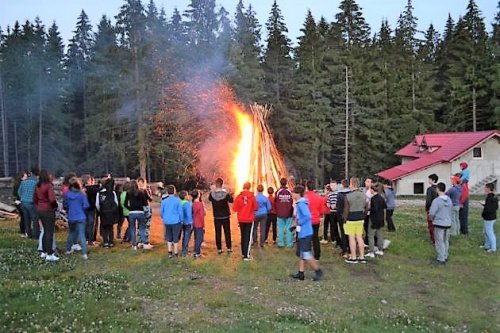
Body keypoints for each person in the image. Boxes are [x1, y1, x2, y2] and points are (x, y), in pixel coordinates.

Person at [290, 185, 323, 281]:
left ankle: (318, 270)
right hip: (302, 232)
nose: (292, 194)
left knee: (306, 254)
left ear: (297, 194)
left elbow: (307, 216)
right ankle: (301, 273)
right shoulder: (299, 203)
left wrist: (299, 222)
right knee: (301, 253)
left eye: (293, 192)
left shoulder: (301, 204)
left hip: (305, 232)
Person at [34, 169, 58, 261]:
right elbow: (52, 199)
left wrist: (38, 206)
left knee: (44, 231)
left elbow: (35, 199)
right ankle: (50, 253)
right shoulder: (48, 186)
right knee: (49, 232)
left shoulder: (37, 186)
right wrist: (55, 207)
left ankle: (43, 252)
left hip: (40, 209)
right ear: (46, 176)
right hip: (48, 210)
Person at [343, 177, 368, 264]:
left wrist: (344, 219)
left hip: (350, 218)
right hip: (360, 217)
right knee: (359, 237)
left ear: (352, 184)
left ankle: (353, 257)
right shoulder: (364, 195)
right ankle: (362, 256)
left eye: (350, 183)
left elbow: (346, 210)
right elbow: (367, 207)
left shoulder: (348, 196)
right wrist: (363, 215)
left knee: (351, 238)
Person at [63, 178, 90, 259]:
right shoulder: (82, 194)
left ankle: (68, 249)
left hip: (71, 216)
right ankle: (84, 253)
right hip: (81, 216)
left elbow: (65, 205)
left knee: (71, 233)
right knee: (82, 234)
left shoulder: (67, 194)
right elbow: (86, 205)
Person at [233, 182, 258, 261]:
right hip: (249, 219)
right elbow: (256, 207)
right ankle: (246, 255)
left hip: (241, 219)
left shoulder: (238, 197)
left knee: (243, 236)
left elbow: (234, 209)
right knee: (248, 237)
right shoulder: (252, 197)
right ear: (249, 187)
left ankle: (243, 252)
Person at [429, 182, 452, 264]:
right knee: (446, 241)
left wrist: (431, 219)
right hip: (448, 223)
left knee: (439, 241)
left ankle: (440, 258)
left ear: (438, 189)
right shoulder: (449, 200)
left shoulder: (436, 200)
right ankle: (445, 256)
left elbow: (432, 212)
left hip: (439, 223)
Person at [208, 178, 233, 254]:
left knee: (218, 232)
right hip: (225, 216)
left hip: (217, 216)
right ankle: (229, 248)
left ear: (216, 184)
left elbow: (209, 199)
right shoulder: (225, 194)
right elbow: (231, 200)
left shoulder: (212, 194)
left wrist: (213, 190)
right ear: (222, 184)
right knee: (227, 232)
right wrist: (230, 194)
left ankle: (219, 248)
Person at [126, 180, 152, 250]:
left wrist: (129, 208)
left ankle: (134, 245)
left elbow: (125, 203)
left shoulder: (128, 193)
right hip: (140, 212)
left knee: (132, 228)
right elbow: (145, 202)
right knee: (142, 228)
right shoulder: (141, 192)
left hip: (132, 212)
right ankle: (145, 243)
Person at [160, 185, 183, 258]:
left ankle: (169, 252)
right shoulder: (178, 200)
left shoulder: (164, 201)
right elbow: (180, 212)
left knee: (169, 236)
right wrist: (181, 220)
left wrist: (164, 217)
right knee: (175, 237)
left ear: (167, 192)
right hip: (176, 221)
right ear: (175, 191)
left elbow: (161, 212)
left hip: (167, 221)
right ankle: (176, 252)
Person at [18, 166, 40, 239]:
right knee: (35, 220)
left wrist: (23, 198)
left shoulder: (23, 182)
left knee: (27, 220)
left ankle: (29, 235)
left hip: (23, 203)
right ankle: (35, 235)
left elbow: (19, 192)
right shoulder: (36, 182)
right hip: (31, 203)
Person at [96, 178, 119, 248]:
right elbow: (116, 203)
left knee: (104, 227)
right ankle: (111, 242)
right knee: (110, 227)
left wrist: (100, 210)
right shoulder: (113, 193)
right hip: (111, 212)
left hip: (103, 212)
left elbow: (97, 204)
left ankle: (106, 242)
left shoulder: (99, 193)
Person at [366, 183, 386, 257]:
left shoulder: (373, 199)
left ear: (372, 190)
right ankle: (380, 250)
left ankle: (371, 252)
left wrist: (368, 209)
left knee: (370, 235)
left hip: (373, 219)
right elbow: (384, 208)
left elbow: (373, 209)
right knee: (379, 234)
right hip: (380, 219)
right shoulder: (381, 198)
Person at [305, 181, 323, 261]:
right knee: (315, 238)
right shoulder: (318, 197)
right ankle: (317, 255)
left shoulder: (305, 198)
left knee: (307, 238)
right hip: (316, 220)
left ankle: (307, 255)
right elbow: (321, 209)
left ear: (307, 187)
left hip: (307, 221)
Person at [275, 178, 294, 248]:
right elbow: (292, 201)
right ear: (286, 183)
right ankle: (289, 243)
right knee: (289, 228)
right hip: (289, 213)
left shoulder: (278, 192)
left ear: (280, 183)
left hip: (280, 213)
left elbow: (275, 202)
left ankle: (281, 243)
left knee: (280, 228)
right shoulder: (289, 192)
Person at [82, 174, 100, 246]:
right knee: (91, 224)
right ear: (88, 180)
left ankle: (86, 239)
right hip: (91, 208)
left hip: (83, 208)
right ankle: (91, 240)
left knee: (86, 224)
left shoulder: (81, 188)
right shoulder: (91, 189)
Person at [335, 179, 351, 257]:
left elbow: (338, 207)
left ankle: (344, 250)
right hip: (350, 215)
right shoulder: (351, 193)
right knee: (351, 233)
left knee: (343, 232)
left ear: (342, 185)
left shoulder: (339, 194)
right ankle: (351, 249)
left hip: (341, 216)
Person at [481, 183, 498, 253]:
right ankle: (487, 245)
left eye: (485, 188)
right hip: (492, 217)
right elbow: (495, 207)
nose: (484, 189)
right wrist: (485, 205)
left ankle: (493, 248)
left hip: (489, 218)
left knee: (490, 232)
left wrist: (483, 214)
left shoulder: (489, 197)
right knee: (486, 232)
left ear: (488, 189)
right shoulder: (494, 197)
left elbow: (487, 209)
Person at [138, 178, 153, 246]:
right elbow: (150, 199)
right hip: (146, 208)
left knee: (140, 225)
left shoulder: (136, 191)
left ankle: (140, 241)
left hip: (139, 209)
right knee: (146, 225)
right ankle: (146, 242)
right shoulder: (145, 191)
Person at [13, 170, 28, 237]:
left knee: (23, 217)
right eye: (25, 176)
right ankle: (25, 231)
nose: (26, 177)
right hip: (21, 202)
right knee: (24, 217)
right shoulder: (22, 184)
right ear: (22, 177)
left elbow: (14, 193)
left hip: (17, 202)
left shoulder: (16, 183)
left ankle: (23, 231)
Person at [191, 190, 206, 258]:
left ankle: (195, 251)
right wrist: (203, 225)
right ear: (198, 195)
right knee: (199, 238)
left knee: (196, 237)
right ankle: (197, 253)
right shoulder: (200, 204)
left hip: (194, 222)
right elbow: (202, 215)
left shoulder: (192, 203)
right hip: (199, 223)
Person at [425, 174, 439, 244]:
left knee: (431, 225)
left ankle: (434, 240)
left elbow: (428, 201)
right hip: (438, 209)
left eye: (429, 179)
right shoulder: (438, 188)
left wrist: (427, 208)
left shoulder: (430, 189)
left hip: (431, 209)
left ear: (433, 180)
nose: (428, 180)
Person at [179, 190, 193, 256]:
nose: (188, 196)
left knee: (184, 236)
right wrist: (191, 222)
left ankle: (184, 249)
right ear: (185, 196)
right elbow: (188, 214)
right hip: (187, 222)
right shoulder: (187, 204)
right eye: (187, 195)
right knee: (186, 237)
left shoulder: (179, 203)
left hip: (181, 222)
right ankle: (185, 252)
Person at [458, 165, 470, 236]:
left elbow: (464, 194)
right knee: (461, 216)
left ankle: (464, 231)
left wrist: (461, 202)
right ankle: (462, 230)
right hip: (463, 201)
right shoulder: (463, 184)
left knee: (463, 217)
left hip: (464, 202)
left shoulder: (463, 184)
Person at [363, 177, 374, 244]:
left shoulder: (371, 191)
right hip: (365, 211)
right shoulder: (365, 190)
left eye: (368, 181)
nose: (366, 182)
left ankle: (368, 241)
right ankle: (367, 240)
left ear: (371, 183)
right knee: (366, 226)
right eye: (366, 181)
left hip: (369, 211)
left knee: (368, 227)